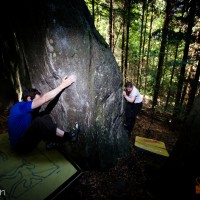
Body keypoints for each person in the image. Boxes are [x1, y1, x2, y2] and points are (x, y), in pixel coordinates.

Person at [8, 75, 80, 153]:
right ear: (29, 99)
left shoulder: (24, 109)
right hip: (20, 147)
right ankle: (69, 136)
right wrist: (63, 85)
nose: (39, 104)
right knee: (38, 121)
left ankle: (53, 141)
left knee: (43, 115)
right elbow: (45, 98)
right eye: (37, 100)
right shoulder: (20, 107)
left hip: (25, 140)